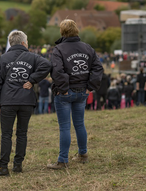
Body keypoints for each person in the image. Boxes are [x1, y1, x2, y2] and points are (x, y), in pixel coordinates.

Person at [47, 19, 103, 169]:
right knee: (79, 124)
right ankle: (83, 154)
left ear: (62, 32)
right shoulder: (87, 47)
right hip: (82, 92)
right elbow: (98, 68)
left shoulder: (58, 49)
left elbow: (57, 71)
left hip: (66, 93)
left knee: (65, 127)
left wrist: (64, 88)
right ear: (76, 30)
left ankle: (63, 160)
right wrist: (90, 87)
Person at [0, 30, 51, 176]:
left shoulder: (2, 59)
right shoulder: (33, 57)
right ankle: (18, 165)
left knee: (6, 135)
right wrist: (32, 79)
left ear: (11, 43)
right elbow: (47, 65)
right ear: (23, 43)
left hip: (8, 101)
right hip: (26, 101)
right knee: (22, 133)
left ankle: (3, 167)